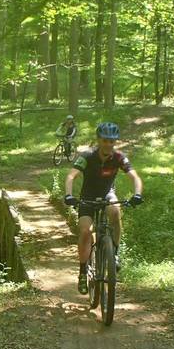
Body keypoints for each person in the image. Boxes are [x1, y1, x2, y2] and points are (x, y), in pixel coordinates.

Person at [63, 122, 143, 295]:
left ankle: (114, 252)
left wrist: (137, 194)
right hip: (87, 198)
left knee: (115, 212)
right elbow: (71, 176)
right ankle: (83, 271)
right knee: (85, 231)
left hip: (107, 194)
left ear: (115, 142)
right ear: (99, 140)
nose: (108, 145)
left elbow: (134, 177)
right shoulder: (88, 156)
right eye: (105, 141)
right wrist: (69, 195)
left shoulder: (119, 157)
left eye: (112, 142)